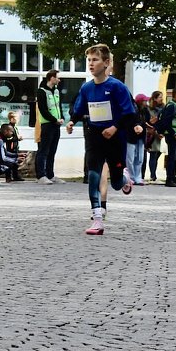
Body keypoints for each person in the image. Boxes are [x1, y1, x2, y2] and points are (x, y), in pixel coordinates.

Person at [65, 44, 142, 235]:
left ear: (106, 63)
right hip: (94, 135)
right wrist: (72, 122)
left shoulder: (117, 87)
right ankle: (97, 219)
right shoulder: (86, 88)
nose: (91, 64)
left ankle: (125, 179)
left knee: (115, 183)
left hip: (115, 138)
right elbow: (79, 109)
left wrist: (114, 127)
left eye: (95, 60)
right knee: (93, 175)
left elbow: (129, 113)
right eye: (89, 60)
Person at [36, 69, 64, 184]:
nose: (59, 79)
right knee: (43, 150)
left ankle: (50, 174)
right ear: (52, 78)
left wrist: (62, 117)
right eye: (57, 77)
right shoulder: (41, 91)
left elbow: (58, 106)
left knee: (52, 150)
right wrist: (54, 120)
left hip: (56, 125)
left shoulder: (56, 91)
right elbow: (43, 110)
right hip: (47, 125)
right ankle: (41, 175)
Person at [156, 87, 176, 187]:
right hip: (173, 135)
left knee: (175, 158)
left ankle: (173, 178)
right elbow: (166, 123)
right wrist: (174, 134)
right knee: (172, 158)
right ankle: (169, 179)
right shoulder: (171, 106)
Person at [145, 90, 165, 182]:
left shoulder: (163, 108)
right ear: (155, 98)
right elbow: (150, 121)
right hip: (153, 134)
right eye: (160, 97)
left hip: (161, 134)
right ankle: (153, 176)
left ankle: (154, 174)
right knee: (153, 154)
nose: (162, 98)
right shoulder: (149, 109)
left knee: (158, 154)